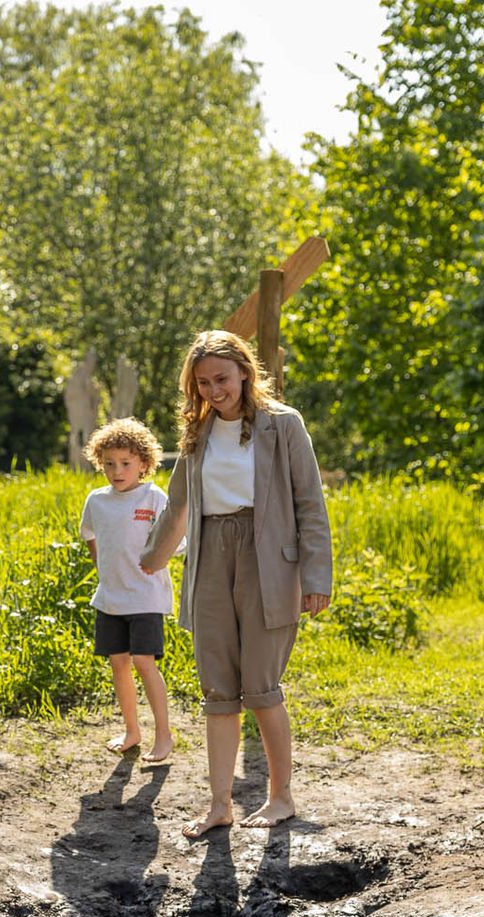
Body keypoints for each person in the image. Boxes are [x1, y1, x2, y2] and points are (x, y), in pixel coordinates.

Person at [140, 330, 332, 838]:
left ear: (245, 372)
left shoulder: (283, 425)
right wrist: (149, 560)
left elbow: (310, 505)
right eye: (202, 382)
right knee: (218, 689)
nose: (213, 390)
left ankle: (280, 796)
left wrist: (317, 578)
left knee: (262, 687)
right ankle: (220, 804)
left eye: (221, 378)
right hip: (210, 560)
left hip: (269, 560)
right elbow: (178, 506)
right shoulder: (197, 433)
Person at [79, 418, 177, 762]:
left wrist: (155, 562)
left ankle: (164, 735)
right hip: (110, 598)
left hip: (146, 597)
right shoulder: (97, 500)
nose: (116, 471)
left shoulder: (154, 497)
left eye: (125, 463)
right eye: (108, 464)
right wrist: (104, 570)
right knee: (119, 663)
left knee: (143, 661)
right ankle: (132, 731)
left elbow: (174, 540)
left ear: (144, 464)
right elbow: (89, 535)